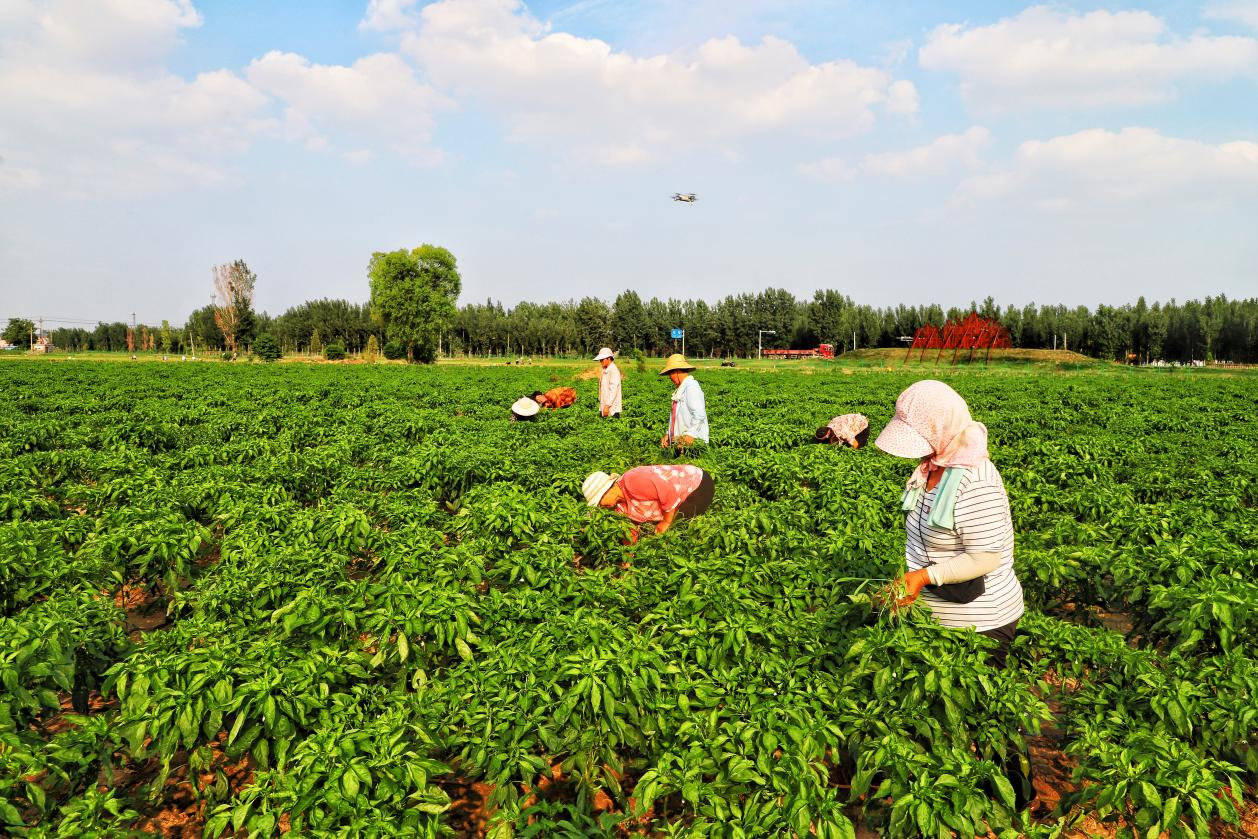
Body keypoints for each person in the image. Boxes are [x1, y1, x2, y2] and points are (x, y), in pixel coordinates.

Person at [874, 379, 1033, 810]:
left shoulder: (975, 480)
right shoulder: (930, 467)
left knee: (991, 710)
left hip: (983, 618)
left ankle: (1015, 798)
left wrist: (923, 577)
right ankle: (952, 785)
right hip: (939, 612)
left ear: (942, 429)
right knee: (944, 703)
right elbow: (920, 536)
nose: (920, 449)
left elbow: (984, 557)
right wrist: (910, 582)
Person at [583, 465, 715, 537]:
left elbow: (669, 492)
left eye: (599, 501)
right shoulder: (619, 506)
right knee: (655, 534)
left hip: (697, 486)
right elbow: (630, 529)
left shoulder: (633, 480)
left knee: (677, 528)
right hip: (677, 499)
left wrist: (666, 522)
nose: (600, 506)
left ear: (607, 490)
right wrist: (628, 555)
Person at [659, 354, 708, 448]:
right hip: (680, 443)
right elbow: (676, 417)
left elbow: (699, 414)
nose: (669, 377)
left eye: (670, 373)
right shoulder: (681, 389)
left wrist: (690, 434)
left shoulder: (692, 388)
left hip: (693, 445)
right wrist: (668, 434)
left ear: (676, 371)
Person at [594, 347, 622, 418]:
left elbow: (613, 390)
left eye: (602, 360)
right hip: (604, 406)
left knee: (612, 426)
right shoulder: (605, 370)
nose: (600, 362)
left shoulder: (613, 371)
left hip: (611, 408)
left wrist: (607, 406)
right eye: (600, 360)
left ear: (609, 358)